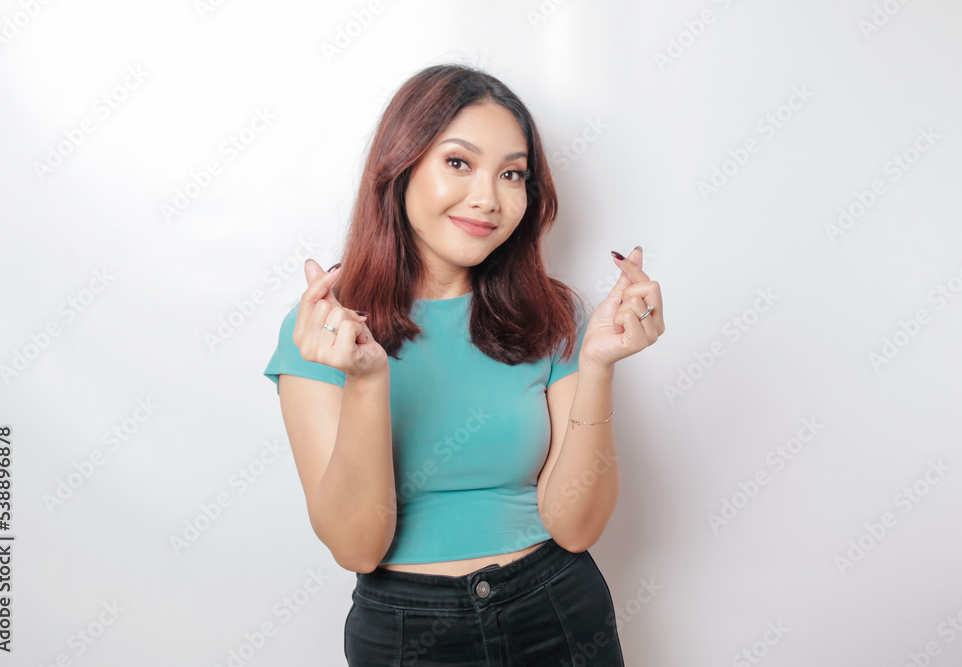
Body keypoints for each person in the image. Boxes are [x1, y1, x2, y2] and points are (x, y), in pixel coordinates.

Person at [262, 63, 664, 666]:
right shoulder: (325, 329)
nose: (488, 198)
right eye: (458, 162)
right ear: (400, 166)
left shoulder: (552, 316)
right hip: (408, 632)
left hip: (557, 608)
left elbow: (576, 527)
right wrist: (368, 380)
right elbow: (356, 547)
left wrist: (598, 366)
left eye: (511, 174)